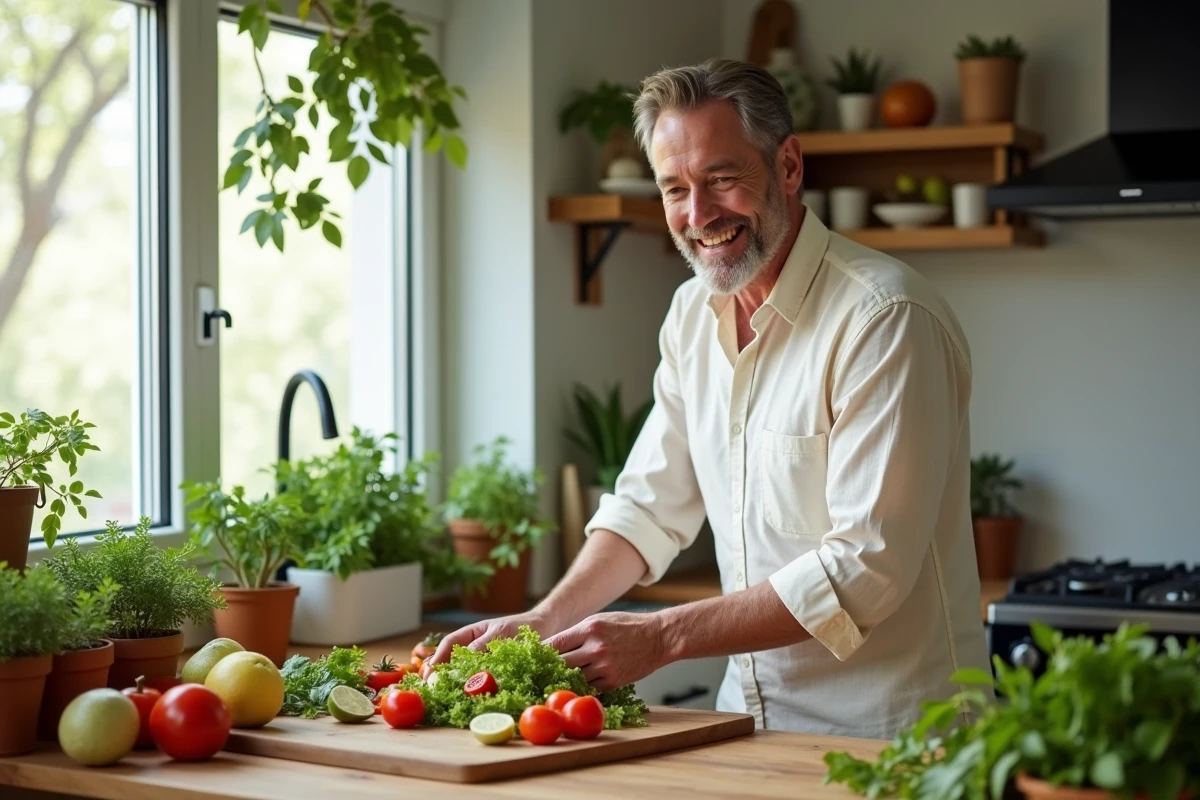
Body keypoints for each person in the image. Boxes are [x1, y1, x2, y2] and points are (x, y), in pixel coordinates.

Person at [429, 58, 990, 739]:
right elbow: (648, 506)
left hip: (894, 736)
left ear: (787, 166)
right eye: (674, 189)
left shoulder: (883, 318)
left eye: (721, 179)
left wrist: (664, 636)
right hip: (748, 726)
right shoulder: (691, 314)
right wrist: (546, 619)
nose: (698, 216)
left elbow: (865, 567)